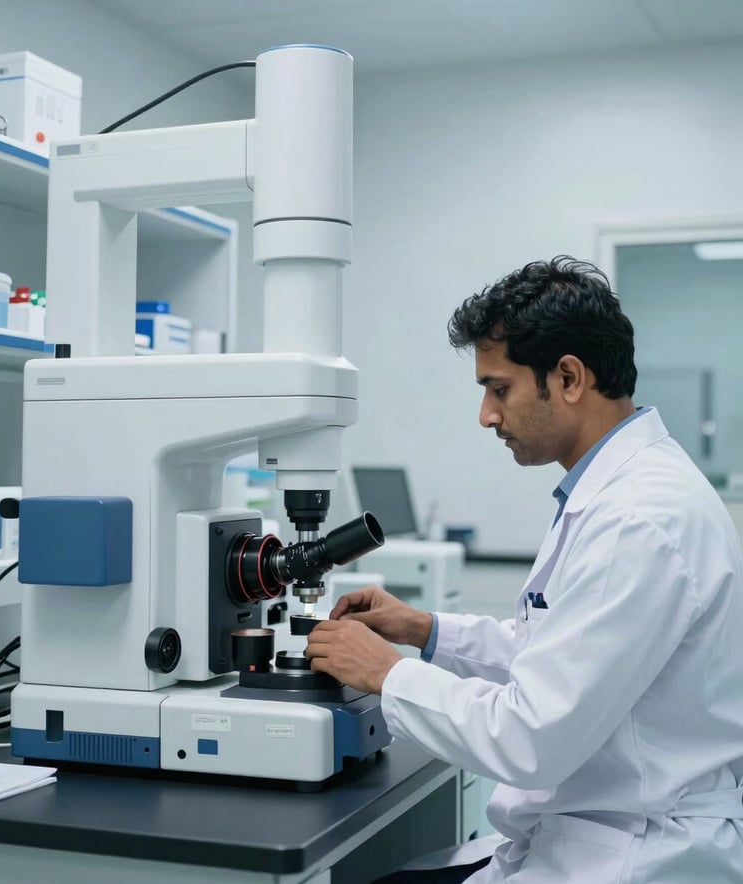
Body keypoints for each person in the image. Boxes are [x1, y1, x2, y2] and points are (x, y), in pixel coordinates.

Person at [305, 256, 743, 883]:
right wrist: (426, 630)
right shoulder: (615, 493)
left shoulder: (638, 518)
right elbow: (561, 654)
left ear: (567, 377)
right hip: (593, 827)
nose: (487, 414)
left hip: (633, 851)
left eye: (499, 388)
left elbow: (530, 737)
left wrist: (386, 673)